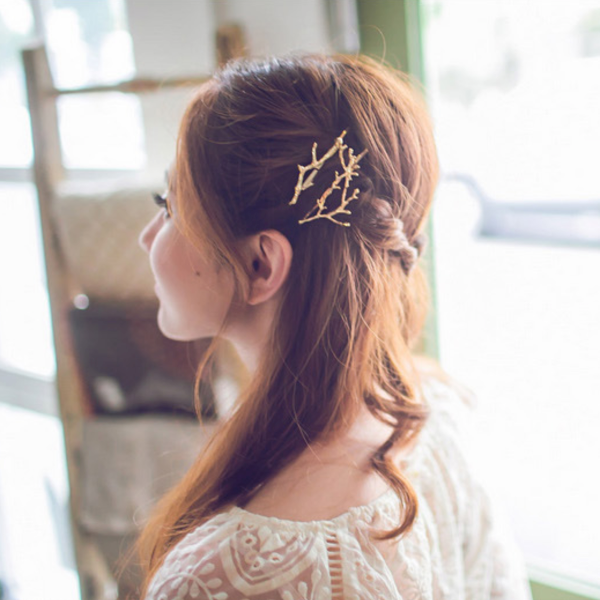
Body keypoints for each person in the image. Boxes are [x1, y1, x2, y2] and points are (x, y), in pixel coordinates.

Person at [137, 53, 531, 599]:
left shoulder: (215, 579)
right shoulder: (437, 412)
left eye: (171, 205)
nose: (147, 235)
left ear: (262, 265)